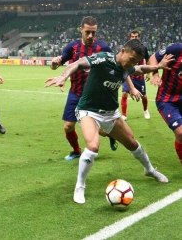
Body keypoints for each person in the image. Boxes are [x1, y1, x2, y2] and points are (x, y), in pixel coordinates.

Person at [46, 39, 173, 204]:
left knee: (133, 144)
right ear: (122, 50)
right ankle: (80, 185)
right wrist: (63, 77)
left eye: (135, 61)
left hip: (111, 114)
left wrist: (158, 66)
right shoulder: (104, 59)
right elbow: (78, 63)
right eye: (132, 59)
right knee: (92, 147)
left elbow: (141, 68)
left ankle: (149, 170)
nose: (132, 63)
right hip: (89, 111)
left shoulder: (126, 68)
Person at [51, 16, 118, 161]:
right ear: (81, 29)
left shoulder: (104, 47)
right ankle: (76, 151)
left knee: (100, 131)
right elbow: (58, 63)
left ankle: (111, 134)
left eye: (93, 32)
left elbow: (115, 68)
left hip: (94, 96)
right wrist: (54, 63)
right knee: (68, 126)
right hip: (75, 92)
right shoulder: (72, 47)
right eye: (87, 32)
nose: (90, 36)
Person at [149, 43, 182, 164]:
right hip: (167, 100)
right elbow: (153, 57)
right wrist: (155, 73)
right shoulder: (176, 49)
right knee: (180, 132)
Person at [121, 30, 151, 120]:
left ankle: (145, 110)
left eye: (136, 36)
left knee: (144, 96)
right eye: (132, 37)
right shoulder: (126, 47)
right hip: (128, 75)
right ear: (130, 37)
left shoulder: (144, 48)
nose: (134, 38)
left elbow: (148, 60)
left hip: (139, 76)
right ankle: (124, 115)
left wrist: (148, 73)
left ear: (139, 37)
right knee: (124, 94)